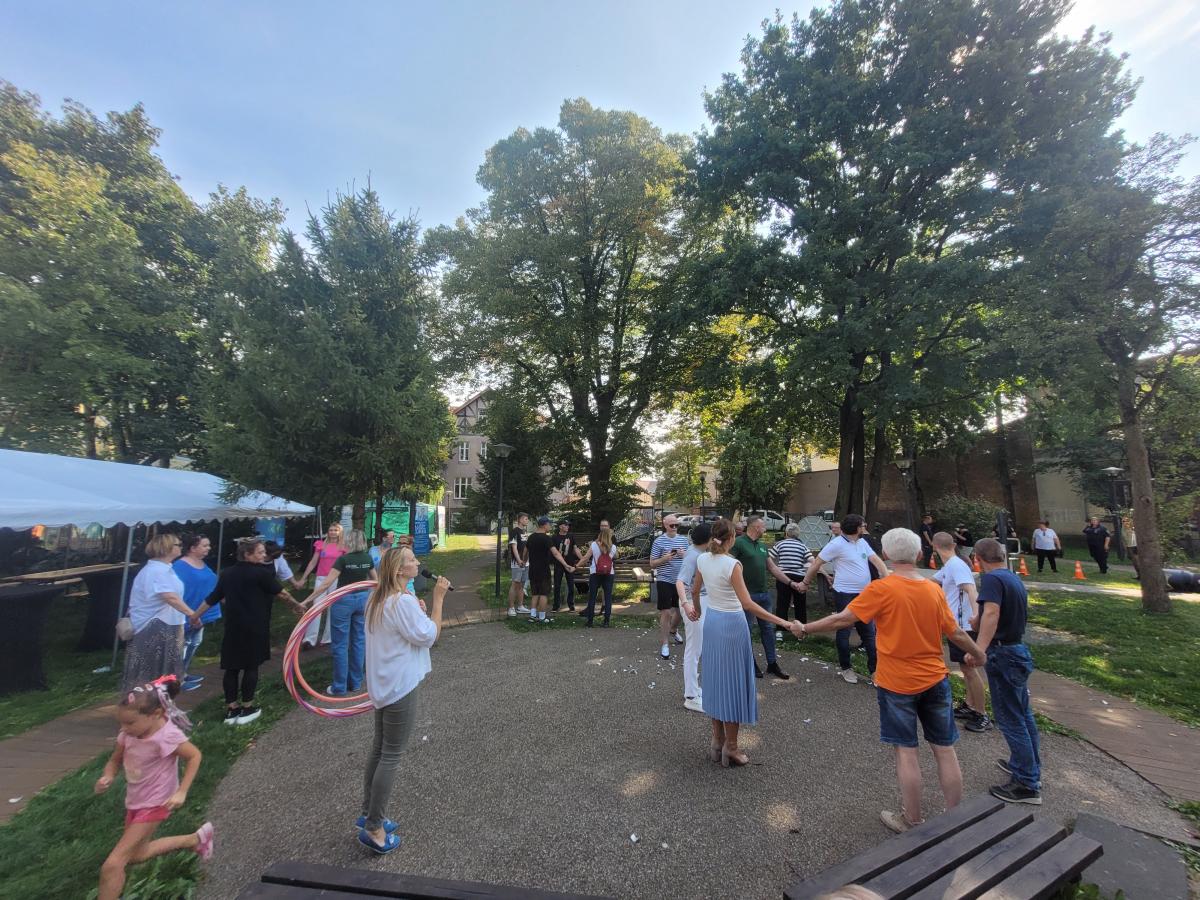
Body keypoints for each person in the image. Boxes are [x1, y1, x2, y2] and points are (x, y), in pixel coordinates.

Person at [799, 528, 985, 833]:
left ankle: (912, 819)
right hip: (935, 679)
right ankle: (955, 818)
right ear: (919, 554)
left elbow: (843, 619)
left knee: (906, 751)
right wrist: (979, 653)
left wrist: (805, 628)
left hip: (896, 683)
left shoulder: (881, 589)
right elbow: (955, 632)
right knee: (944, 749)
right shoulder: (933, 590)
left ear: (885, 555)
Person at [359, 547, 450, 853]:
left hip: (384, 684)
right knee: (391, 755)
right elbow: (429, 636)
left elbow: (406, 631)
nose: (418, 562)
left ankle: (368, 814)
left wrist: (418, 610)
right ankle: (374, 827)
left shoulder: (379, 598)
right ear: (399, 570)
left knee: (379, 749)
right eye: (412, 560)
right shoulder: (400, 601)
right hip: (400, 686)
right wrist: (438, 600)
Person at [691, 519, 802, 767]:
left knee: (716, 681)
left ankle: (717, 741)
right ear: (732, 538)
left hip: (712, 622)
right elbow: (748, 604)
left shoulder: (702, 559)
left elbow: (695, 590)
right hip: (732, 624)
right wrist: (784, 623)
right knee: (733, 684)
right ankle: (731, 747)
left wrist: (697, 610)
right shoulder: (732, 564)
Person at [94, 677, 213, 900]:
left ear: (156, 714)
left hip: (156, 802)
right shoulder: (128, 734)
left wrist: (182, 791)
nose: (124, 728)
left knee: (113, 864)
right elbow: (114, 760)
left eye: (130, 723)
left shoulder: (166, 736)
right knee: (137, 855)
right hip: (136, 801)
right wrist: (107, 776)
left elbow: (194, 756)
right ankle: (195, 840)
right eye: (122, 723)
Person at [190, 539, 305, 726]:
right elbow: (282, 593)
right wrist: (297, 606)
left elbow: (212, 598)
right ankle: (247, 707)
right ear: (247, 554)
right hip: (255, 626)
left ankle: (231, 709)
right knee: (251, 667)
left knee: (232, 668)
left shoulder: (227, 574)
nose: (264, 555)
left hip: (233, 626)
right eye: (260, 552)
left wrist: (195, 616)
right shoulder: (261, 573)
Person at [972, 538, 1042, 805]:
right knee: (1023, 713)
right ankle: (1027, 765)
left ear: (978, 558)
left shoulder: (991, 579)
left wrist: (979, 649)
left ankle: (1026, 783)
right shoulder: (1012, 577)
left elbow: (992, 613)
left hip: (1002, 654)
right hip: (1017, 650)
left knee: (1010, 718)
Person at [799, 514, 887, 684]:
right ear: (857, 528)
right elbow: (816, 563)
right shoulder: (836, 544)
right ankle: (846, 668)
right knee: (844, 629)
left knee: (869, 633)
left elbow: (876, 560)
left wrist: (887, 578)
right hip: (844, 594)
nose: (865, 528)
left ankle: (875, 671)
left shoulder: (862, 542)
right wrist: (805, 582)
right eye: (863, 526)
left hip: (864, 594)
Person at [932, 532, 990, 733]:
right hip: (956, 625)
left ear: (934, 547)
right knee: (965, 669)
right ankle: (969, 705)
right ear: (953, 544)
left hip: (964, 626)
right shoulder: (949, 566)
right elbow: (930, 582)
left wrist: (975, 616)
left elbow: (971, 590)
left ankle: (982, 714)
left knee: (970, 670)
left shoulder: (956, 565)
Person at [122, 535, 193, 694]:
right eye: (178, 544)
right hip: (155, 625)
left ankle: (162, 700)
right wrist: (192, 614)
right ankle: (147, 703)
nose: (181, 547)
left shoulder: (164, 568)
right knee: (154, 669)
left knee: (166, 667)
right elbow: (170, 597)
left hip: (167, 623)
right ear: (166, 548)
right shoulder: (156, 571)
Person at [310, 529, 376, 696]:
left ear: (349, 541)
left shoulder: (343, 559)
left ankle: (339, 687)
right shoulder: (367, 558)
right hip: (362, 600)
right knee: (358, 641)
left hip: (343, 601)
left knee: (340, 644)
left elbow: (326, 584)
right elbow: (376, 581)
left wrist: (306, 601)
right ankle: (355, 683)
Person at [729, 515, 789, 680]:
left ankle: (772, 663)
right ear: (755, 527)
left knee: (768, 629)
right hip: (747, 596)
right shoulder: (738, 543)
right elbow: (728, 564)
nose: (765, 529)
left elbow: (773, 568)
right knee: (747, 630)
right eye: (763, 526)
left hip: (764, 595)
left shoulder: (762, 546)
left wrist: (791, 583)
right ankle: (750, 662)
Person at [173, 534, 219, 692]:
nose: (209, 548)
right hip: (187, 613)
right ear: (192, 548)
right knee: (183, 645)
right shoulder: (179, 566)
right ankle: (176, 680)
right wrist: (188, 612)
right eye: (204, 545)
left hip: (201, 613)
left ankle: (183, 673)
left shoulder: (202, 563)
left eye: (208, 545)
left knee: (194, 643)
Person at [675, 523, 711, 713]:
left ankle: (694, 690)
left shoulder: (696, 552)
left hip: (699, 601)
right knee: (694, 649)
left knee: (697, 648)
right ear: (708, 539)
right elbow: (680, 581)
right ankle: (691, 696)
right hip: (693, 603)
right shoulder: (694, 555)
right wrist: (686, 604)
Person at [296, 523, 346, 649]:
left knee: (332, 608)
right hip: (321, 578)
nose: (333, 532)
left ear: (340, 532)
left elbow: (346, 564)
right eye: (331, 530)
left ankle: (327, 638)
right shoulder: (321, 544)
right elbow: (313, 562)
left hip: (336, 579)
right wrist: (303, 578)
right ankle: (309, 639)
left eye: (336, 530)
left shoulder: (344, 546)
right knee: (316, 607)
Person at [650, 514, 690, 658]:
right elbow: (652, 563)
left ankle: (673, 629)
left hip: (681, 580)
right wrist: (665, 558)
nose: (674, 527)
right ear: (665, 525)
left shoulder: (684, 540)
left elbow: (690, 559)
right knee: (666, 612)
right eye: (671, 525)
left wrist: (684, 555)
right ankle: (665, 644)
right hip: (664, 579)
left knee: (681, 611)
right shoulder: (658, 541)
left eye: (676, 525)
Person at [526, 516, 575, 623]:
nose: (550, 526)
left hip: (532, 569)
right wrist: (566, 564)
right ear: (544, 525)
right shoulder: (546, 538)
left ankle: (532, 616)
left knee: (535, 593)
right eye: (549, 524)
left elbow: (526, 551)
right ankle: (542, 617)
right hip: (543, 570)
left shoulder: (531, 537)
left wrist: (523, 561)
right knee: (543, 594)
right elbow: (556, 553)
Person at [769, 523, 813, 632]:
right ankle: (801, 630)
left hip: (783, 576)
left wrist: (776, 567)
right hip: (799, 577)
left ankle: (780, 631)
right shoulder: (803, 546)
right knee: (800, 604)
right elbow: (812, 561)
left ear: (786, 533)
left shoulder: (780, 544)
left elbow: (769, 557)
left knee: (782, 604)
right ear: (798, 534)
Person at [576, 526, 618, 627]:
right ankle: (606, 622)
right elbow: (615, 557)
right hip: (609, 573)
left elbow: (586, 558)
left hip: (595, 573)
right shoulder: (613, 547)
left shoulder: (594, 545)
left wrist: (576, 566)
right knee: (608, 597)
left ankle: (590, 621)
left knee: (592, 597)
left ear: (600, 535)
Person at [551, 520, 580, 613]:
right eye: (565, 525)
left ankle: (571, 605)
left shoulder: (571, 536)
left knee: (571, 584)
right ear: (560, 526)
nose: (567, 527)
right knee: (557, 585)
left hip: (570, 564)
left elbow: (575, 548)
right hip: (558, 564)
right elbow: (554, 552)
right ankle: (556, 606)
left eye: (568, 525)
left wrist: (583, 559)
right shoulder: (554, 537)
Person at [506, 513, 530, 618]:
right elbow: (514, 547)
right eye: (525, 519)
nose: (527, 520)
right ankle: (511, 608)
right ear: (520, 520)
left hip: (526, 562)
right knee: (515, 584)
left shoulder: (524, 532)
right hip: (517, 563)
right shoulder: (514, 531)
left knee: (521, 585)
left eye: (527, 519)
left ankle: (520, 606)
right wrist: (519, 560)